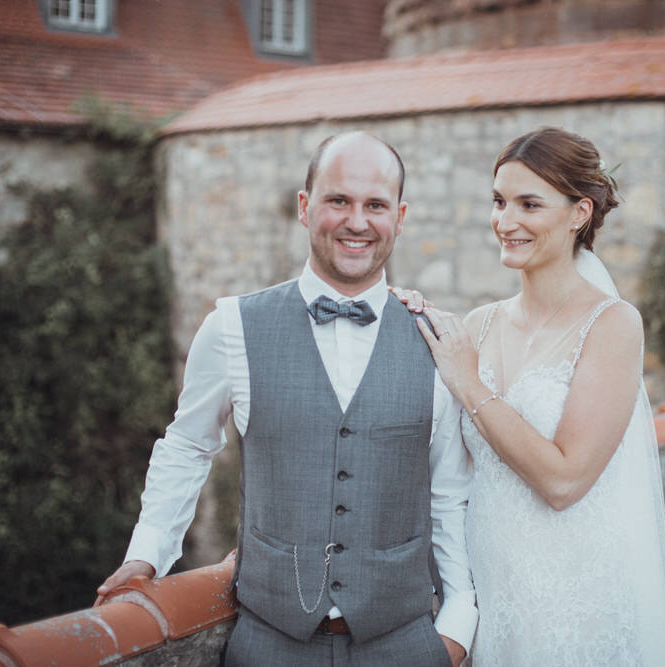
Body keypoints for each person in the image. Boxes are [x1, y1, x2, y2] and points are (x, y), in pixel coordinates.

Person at [94, 131, 476, 666]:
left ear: (400, 215)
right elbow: (187, 445)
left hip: (405, 645)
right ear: (304, 207)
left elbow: (449, 493)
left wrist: (457, 624)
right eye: (338, 200)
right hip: (267, 646)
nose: (357, 221)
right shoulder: (231, 328)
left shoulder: (437, 340)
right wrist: (147, 555)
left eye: (375, 205)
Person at [409, 127, 665, 665]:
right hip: (491, 599)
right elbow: (450, 477)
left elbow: (564, 480)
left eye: (528, 204)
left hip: (576, 600)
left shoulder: (612, 325)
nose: (505, 222)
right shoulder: (478, 326)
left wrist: (469, 384)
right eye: (499, 201)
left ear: (579, 212)